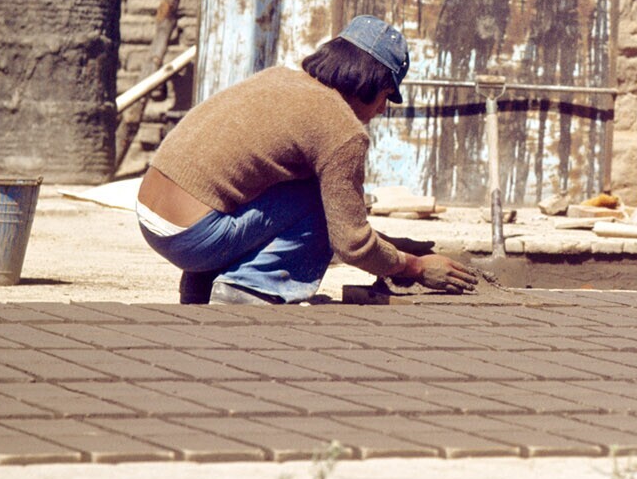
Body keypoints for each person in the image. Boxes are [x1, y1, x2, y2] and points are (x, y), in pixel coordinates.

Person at [136, 15, 477, 304]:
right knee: (318, 196)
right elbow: (351, 243)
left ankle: (202, 286)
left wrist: (393, 247)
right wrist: (415, 267)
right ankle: (250, 288)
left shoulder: (279, 78)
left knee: (290, 188)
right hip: (192, 236)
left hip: (152, 216)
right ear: (368, 82)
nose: (382, 110)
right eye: (386, 95)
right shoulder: (341, 130)